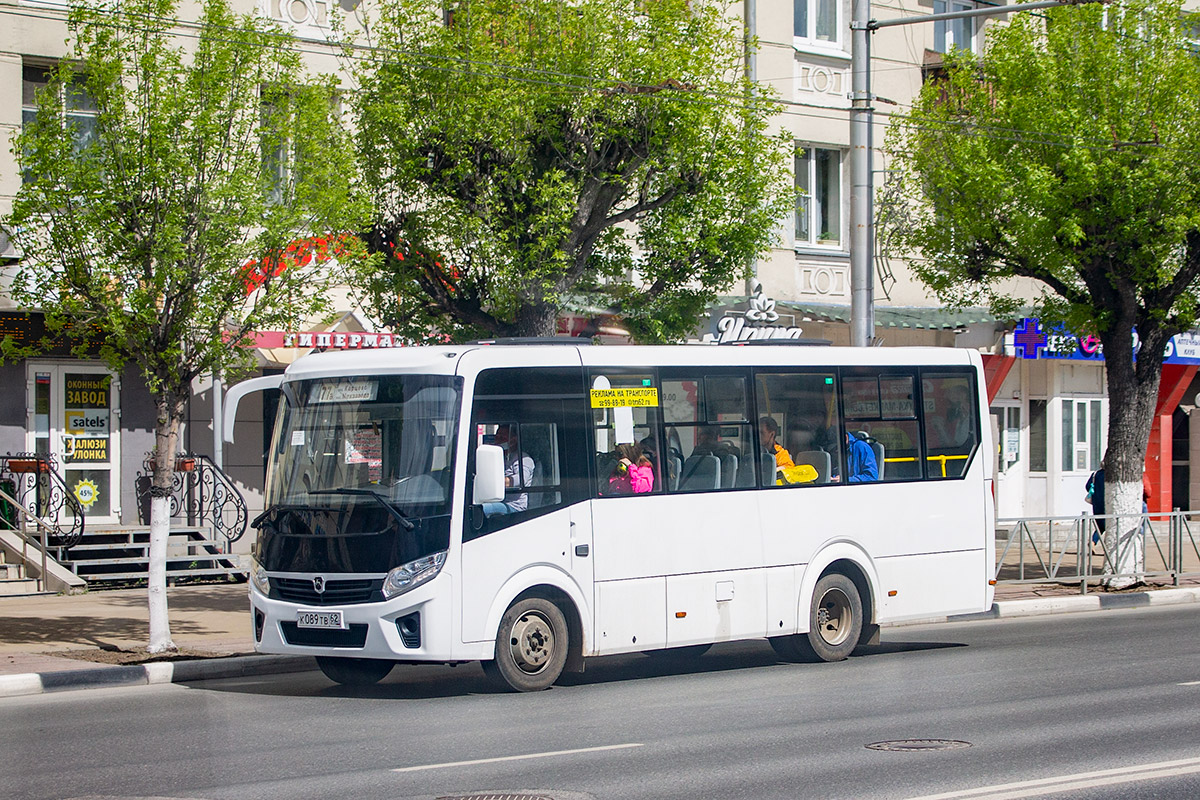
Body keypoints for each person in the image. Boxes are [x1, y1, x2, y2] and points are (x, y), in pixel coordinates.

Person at [483, 424, 534, 515]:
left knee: (482, 509)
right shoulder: (499, 457)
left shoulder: (523, 459)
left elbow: (520, 479)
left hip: (513, 506)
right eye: (497, 437)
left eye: (502, 437)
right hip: (495, 499)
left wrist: (495, 483)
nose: (498, 440)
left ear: (513, 440)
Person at [759, 416, 794, 484]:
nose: (757, 436)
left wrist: (772, 471)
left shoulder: (780, 452)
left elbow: (789, 467)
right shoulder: (753, 450)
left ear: (772, 434)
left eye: (762, 433)